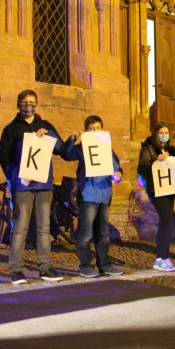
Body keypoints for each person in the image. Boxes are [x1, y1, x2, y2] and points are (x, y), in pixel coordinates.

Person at [0, 90, 64, 283]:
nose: (28, 105)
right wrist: (17, 177)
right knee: (20, 228)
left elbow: (60, 149)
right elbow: (5, 159)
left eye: (32, 102)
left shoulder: (45, 125)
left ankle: (46, 267)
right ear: (18, 104)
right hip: (23, 187)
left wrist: (50, 134)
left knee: (44, 228)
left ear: (36, 104)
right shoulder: (11, 129)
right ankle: (16, 269)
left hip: (44, 186)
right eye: (24, 102)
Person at [61, 115, 125, 278]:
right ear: (86, 131)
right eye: (90, 129)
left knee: (102, 234)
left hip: (104, 194)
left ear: (102, 129)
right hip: (88, 194)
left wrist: (118, 175)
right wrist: (72, 139)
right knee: (85, 234)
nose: (94, 131)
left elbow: (117, 169)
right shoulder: (82, 148)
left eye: (97, 128)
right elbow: (66, 155)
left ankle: (105, 265)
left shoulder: (108, 149)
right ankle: (85, 266)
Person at [137, 122, 175, 272]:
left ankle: (159, 260)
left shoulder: (172, 150)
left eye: (166, 133)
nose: (164, 135)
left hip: (170, 189)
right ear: (156, 134)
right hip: (156, 189)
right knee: (169, 221)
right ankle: (164, 257)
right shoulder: (148, 148)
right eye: (161, 133)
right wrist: (156, 161)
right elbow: (142, 168)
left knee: (164, 223)